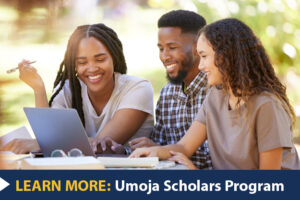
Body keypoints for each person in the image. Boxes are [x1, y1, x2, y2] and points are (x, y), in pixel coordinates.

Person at [130, 18, 300, 169]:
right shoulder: (215, 96)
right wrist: (154, 152)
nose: (201, 66)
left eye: (204, 56)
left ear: (225, 56)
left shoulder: (267, 105)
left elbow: (268, 186)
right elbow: (184, 147)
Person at [1, 23, 154, 154]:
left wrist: (41, 144)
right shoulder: (68, 90)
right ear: (73, 65)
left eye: (100, 59)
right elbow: (48, 135)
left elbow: (101, 145)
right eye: (82, 62)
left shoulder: (138, 89)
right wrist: (38, 88)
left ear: (114, 57)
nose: (92, 68)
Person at [102, 10, 212, 169]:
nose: (164, 56)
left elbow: (216, 160)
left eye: (172, 47)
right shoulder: (168, 92)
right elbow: (159, 145)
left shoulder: (217, 91)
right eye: (161, 48)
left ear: (197, 48)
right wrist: (126, 151)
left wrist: (164, 152)